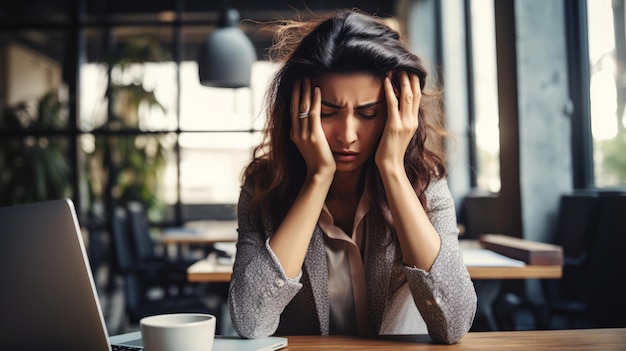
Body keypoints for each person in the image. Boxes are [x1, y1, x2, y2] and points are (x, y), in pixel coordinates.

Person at [227, 9, 477, 344]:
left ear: (397, 112)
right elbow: (250, 320)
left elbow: (454, 324)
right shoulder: (263, 188)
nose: (347, 134)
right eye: (328, 113)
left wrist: (393, 170)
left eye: (368, 114)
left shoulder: (424, 183)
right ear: (297, 111)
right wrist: (318, 177)